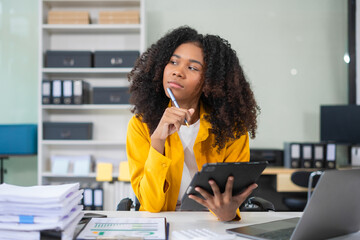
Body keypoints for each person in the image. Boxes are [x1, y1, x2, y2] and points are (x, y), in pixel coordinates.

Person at [126, 26, 260, 221]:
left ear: (210, 81)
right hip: (163, 223)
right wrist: (157, 141)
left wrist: (228, 213)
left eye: (192, 67)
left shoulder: (232, 128)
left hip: (211, 224)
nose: (177, 72)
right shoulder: (140, 125)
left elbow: (231, 202)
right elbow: (151, 205)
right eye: (173, 62)